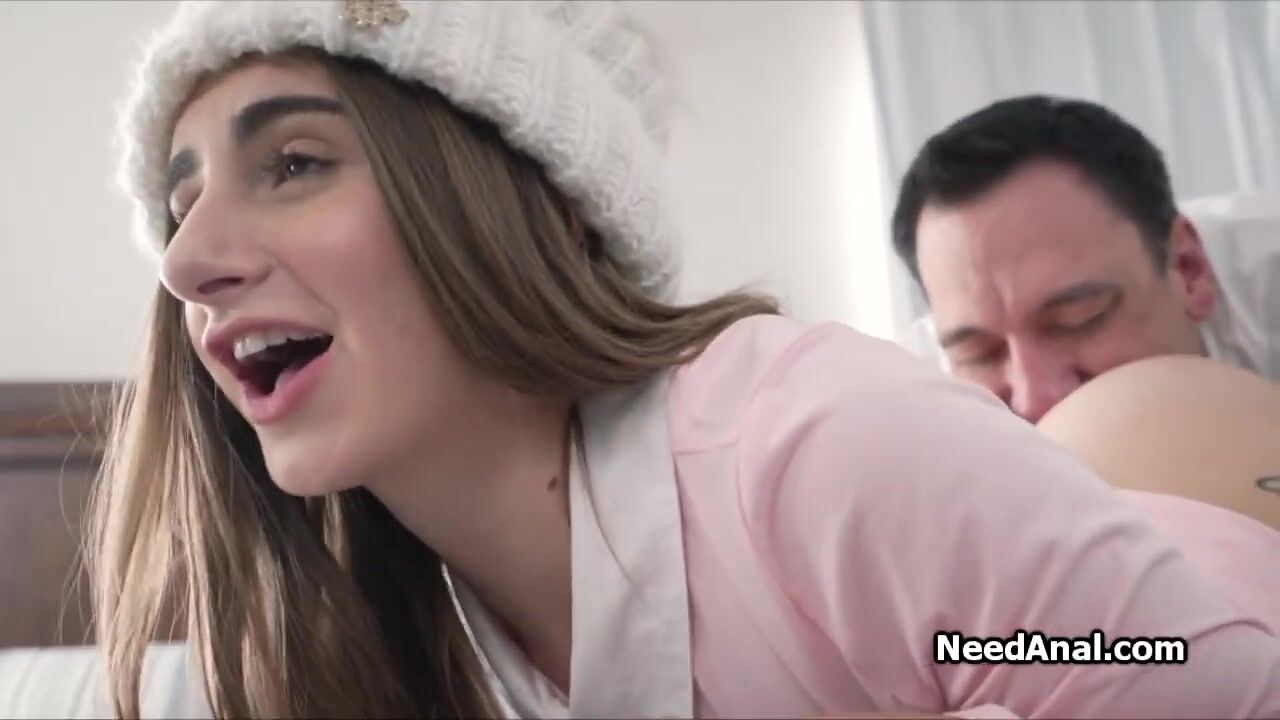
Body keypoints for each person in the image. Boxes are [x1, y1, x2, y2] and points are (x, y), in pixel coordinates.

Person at [91, 2, 1280, 718]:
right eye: (179, 208)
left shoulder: (816, 445)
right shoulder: (337, 631)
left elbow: (1164, 663)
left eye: (295, 164)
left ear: (542, 207)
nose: (185, 263)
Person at [891, 95, 1280, 424]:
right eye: (978, 354)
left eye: (1078, 319)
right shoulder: (913, 397)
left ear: (1186, 267)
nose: (1034, 402)